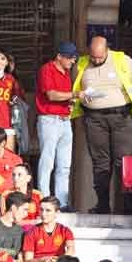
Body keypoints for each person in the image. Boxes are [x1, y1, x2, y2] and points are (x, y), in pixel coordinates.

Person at [71, 36, 132, 214]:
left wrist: (123, 100)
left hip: (121, 117)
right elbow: (75, 86)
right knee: (100, 163)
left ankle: (130, 206)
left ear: (107, 50)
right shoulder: (81, 63)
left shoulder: (122, 60)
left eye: (99, 57)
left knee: (124, 162)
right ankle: (102, 205)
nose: (95, 60)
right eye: (93, 57)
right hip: (94, 118)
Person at [34, 41, 78, 205]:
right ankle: (44, 200)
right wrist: (74, 94)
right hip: (49, 120)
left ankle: (62, 203)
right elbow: (51, 95)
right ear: (59, 56)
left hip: (64, 121)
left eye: (74, 58)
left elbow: (64, 96)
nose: (72, 61)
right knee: (47, 162)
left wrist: (71, 101)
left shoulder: (66, 73)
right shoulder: (47, 69)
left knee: (64, 166)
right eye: (70, 58)